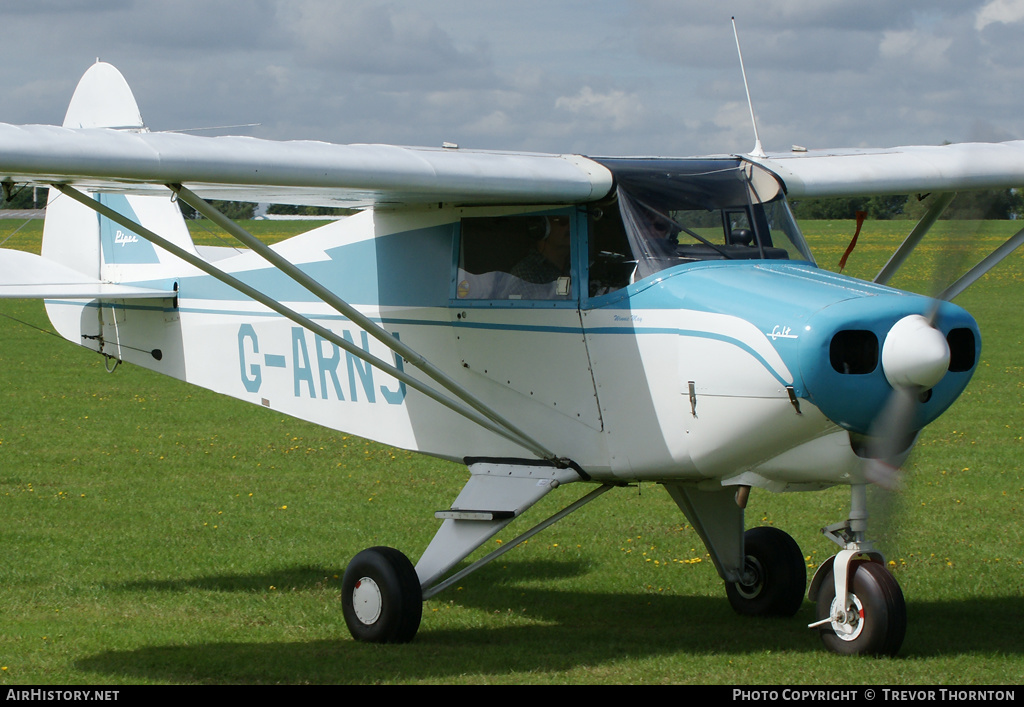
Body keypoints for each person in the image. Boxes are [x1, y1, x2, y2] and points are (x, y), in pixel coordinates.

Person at [509, 215, 571, 295]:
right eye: (563, 222)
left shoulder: (576, 266)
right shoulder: (525, 272)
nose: (570, 227)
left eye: (572, 222)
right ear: (543, 229)